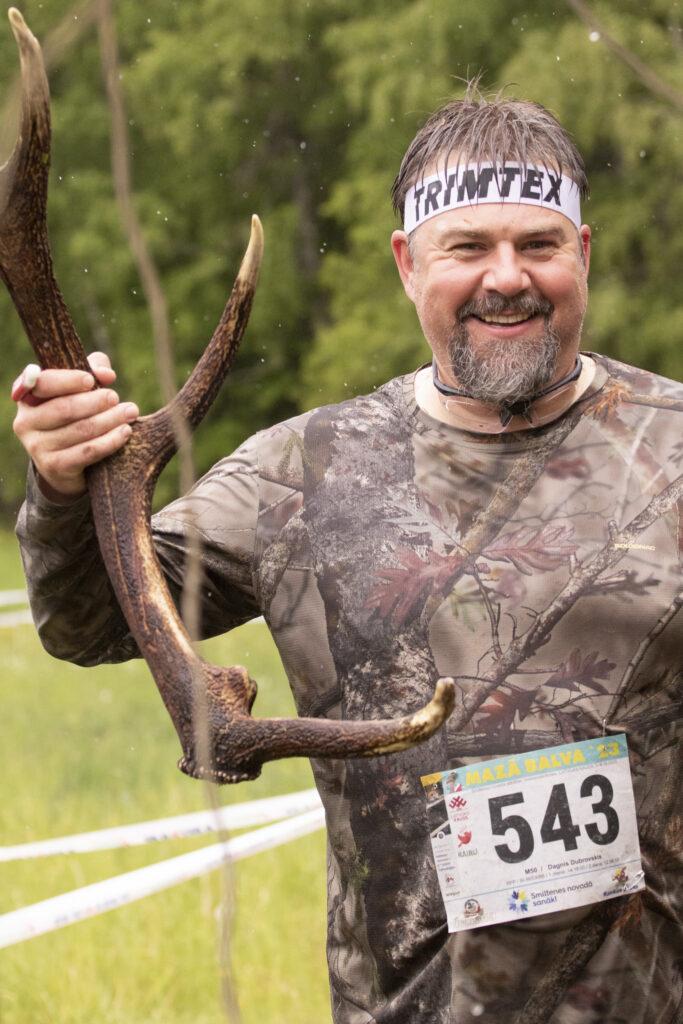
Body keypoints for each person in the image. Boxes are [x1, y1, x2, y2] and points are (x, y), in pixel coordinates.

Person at [12, 87, 682, 1023]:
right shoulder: (300, 472)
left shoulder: (671, 449)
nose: (507, 278)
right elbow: (87, 623)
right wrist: (62, 485)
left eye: (538, 244)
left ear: (583, 253)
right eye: (466, 247)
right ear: (407, 263)